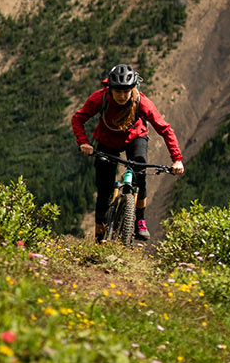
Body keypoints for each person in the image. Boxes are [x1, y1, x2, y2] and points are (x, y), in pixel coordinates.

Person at [71, 63, 185, 242]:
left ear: (133, 88)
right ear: (110, 89)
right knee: (104, 189)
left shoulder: (142, 102)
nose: (123, 96)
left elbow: (165, 129)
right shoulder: (99, 99)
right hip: (107, 141)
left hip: (135, 138)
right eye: (119, 92)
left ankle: (139, 220)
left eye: (127, 91)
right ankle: (100, 234)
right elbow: (78, 118)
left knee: (140, 175)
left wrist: (177, 159)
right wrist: (83, 142)